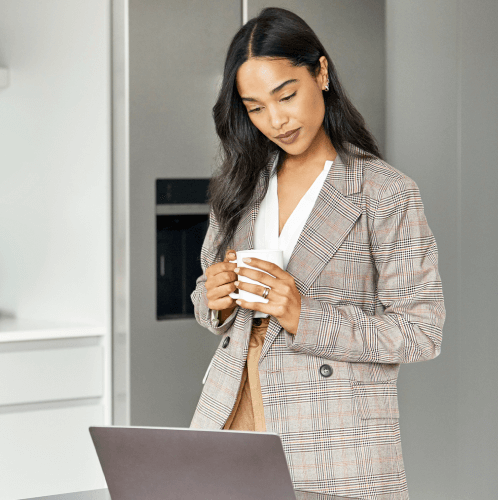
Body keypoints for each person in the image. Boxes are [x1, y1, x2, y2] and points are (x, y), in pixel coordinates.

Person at [189, 7, 444, 499]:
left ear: (321, 74)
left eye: (286, 95)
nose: (276, 120)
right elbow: (208, 300)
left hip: (336, 443)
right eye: (256, 107)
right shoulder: (240, 183)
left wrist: (303, 314)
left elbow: (421, 331)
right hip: (230, 414)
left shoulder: (384, 192)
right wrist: (215, 297)